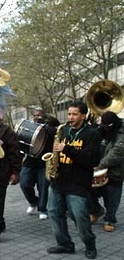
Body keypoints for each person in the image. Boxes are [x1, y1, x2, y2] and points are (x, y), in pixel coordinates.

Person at [46, 100, 102, 259]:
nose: (70, 117)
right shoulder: (63, 130)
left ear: (83, 116)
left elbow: (92, 160)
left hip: (78, 183)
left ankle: (90, 244)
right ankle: (65, 244)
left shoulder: (92, 134)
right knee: (54, 213)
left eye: (74, 114)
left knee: (80, 216)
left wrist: (67, 149)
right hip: (58, 180)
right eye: (69, 114)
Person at [19, 109, 59, 220]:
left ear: (44, 116)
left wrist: (45, 127)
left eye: (39, 115)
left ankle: (42, 209)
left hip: (44, 163)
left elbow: (55, 132)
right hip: (29, 162)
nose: (36, 117)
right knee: (24, 184)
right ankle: (33, 202)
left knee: (43, 188)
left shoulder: (50, 129)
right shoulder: (31, 128)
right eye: (35, 115)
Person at [88, 111, 124, 232]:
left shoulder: (121, 134)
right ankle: (96, 211)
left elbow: (117, 152)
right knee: (88, 192)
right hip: (97, 168)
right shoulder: (101, 130)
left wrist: (101, 165)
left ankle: (110, 219)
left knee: (112, 198)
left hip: (115, 171)